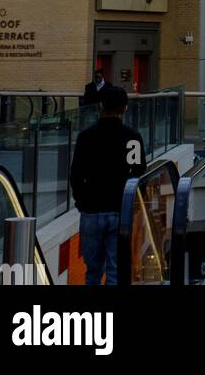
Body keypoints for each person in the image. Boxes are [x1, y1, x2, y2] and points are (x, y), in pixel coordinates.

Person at [69, 85, 145, 286]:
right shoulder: (132, 138)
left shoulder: (86, 137)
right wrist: (134, 205)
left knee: (92, 271)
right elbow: (138, 174)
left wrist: (81, 201)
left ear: (100, 106)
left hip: (91, 211)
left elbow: (76, 174)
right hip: (120, 210)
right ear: (125, 108)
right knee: (115, 272)